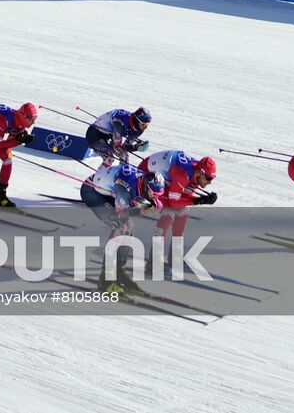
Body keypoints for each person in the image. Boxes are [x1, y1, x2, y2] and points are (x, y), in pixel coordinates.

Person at [81, 161, 166, 293]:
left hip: (110, 191)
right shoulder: (124, 191)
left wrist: (153, 205)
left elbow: (158, 204)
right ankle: (105, 279)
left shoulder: (145, 182)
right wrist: (141, 210)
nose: (155, 196)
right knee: (121, 227)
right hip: (93, 192)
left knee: (130, 228)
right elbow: (121, 215)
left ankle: (119, 271)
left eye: (158, 194)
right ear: (146, 187)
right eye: (154, 194)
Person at [138, 150, 218, 249]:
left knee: (182, 211)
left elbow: (184, 199)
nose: (210, 182)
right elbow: (174, 203)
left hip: (165, 176)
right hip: (145, 175)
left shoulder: (197, 173)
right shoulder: (183, 175)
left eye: (212, 178)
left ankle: (175, 254)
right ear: (201, 172)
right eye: (209, 178)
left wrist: (202, 199)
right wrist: (199, 200)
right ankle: (155, 256)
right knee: (169, 211)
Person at [86, 107, 151, 169]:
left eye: (147, 124)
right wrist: (135, 148)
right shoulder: (120, 121)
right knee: (109, 158)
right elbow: (118, 145)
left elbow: (125, 146)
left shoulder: (139, 130)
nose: (145, 127)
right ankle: (99, 177)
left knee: (124, 155)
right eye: (144, 124)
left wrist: (137, 147)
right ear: (137, 120)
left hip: (109, 136)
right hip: (95, 135)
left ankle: (122, 176)